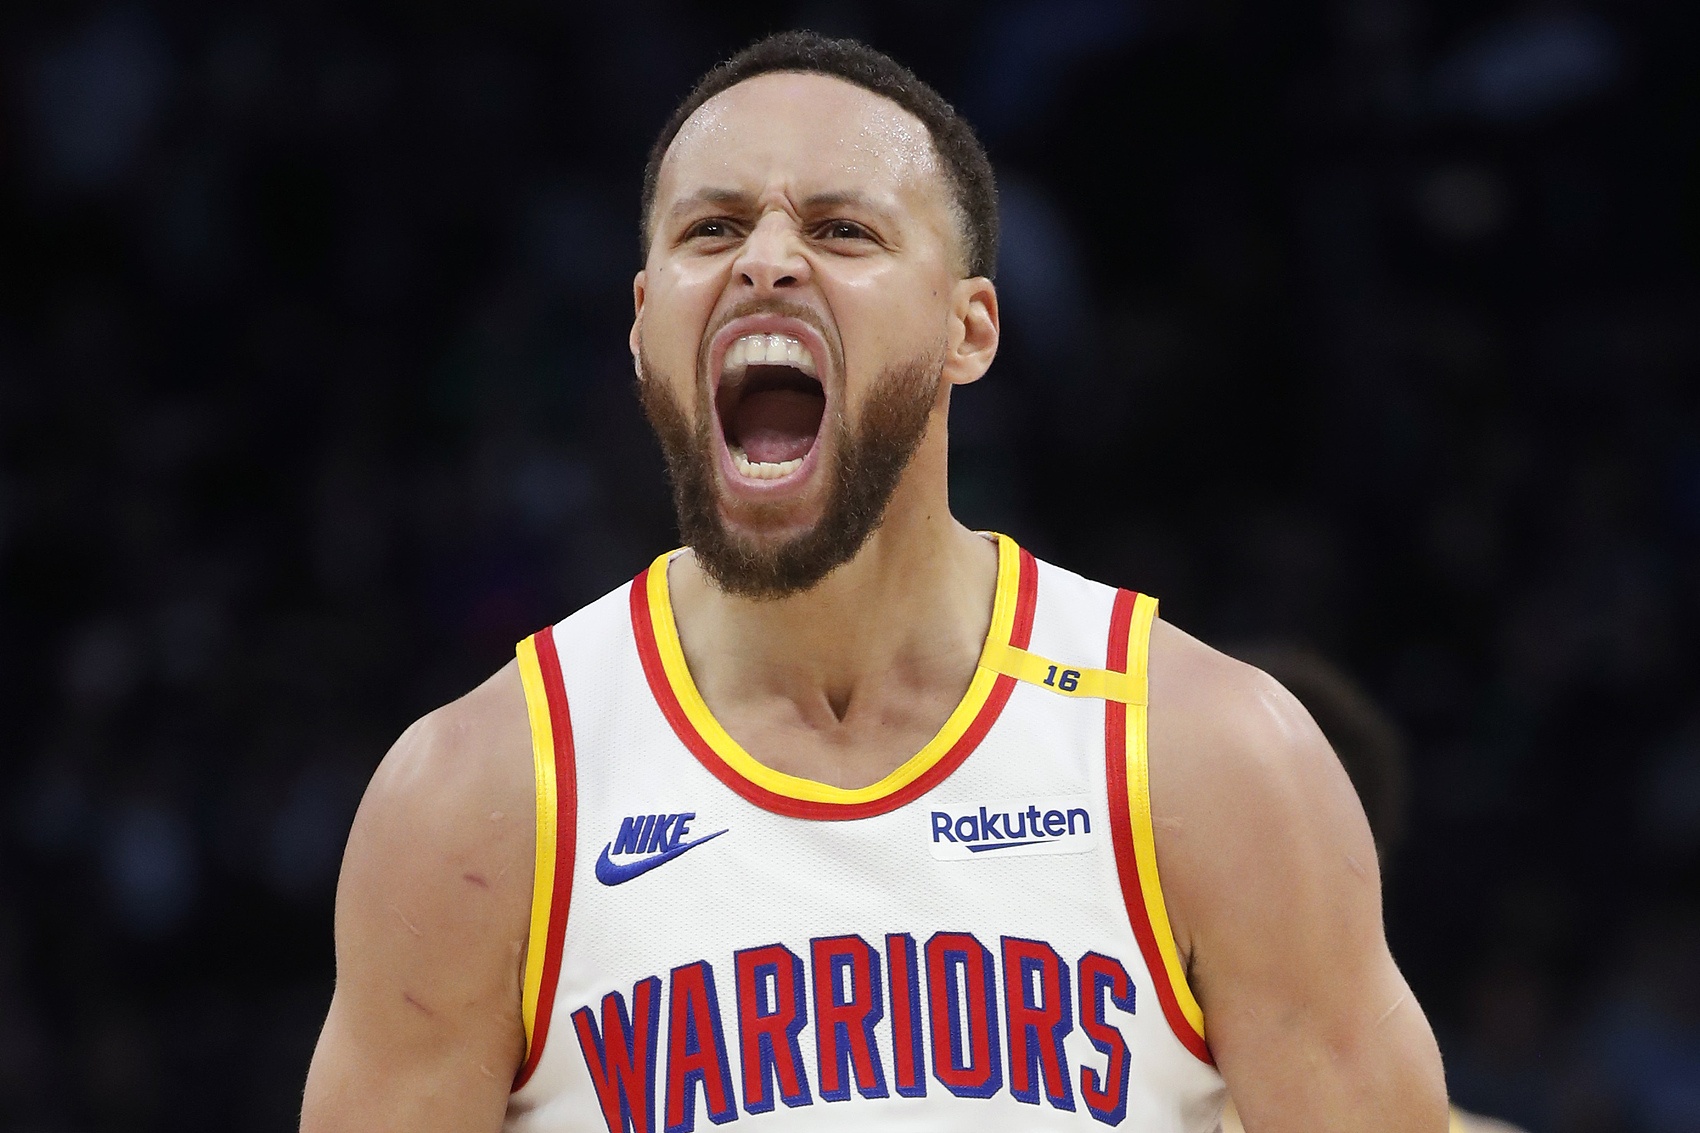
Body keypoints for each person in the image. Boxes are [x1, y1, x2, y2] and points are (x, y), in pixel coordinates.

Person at [300, 31, 1448, 1133]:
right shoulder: (477, 797)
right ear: (643, 326)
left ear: (968, 328)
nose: (764, 260)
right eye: (711, 228)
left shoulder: (1213, 759)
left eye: (841, 229)